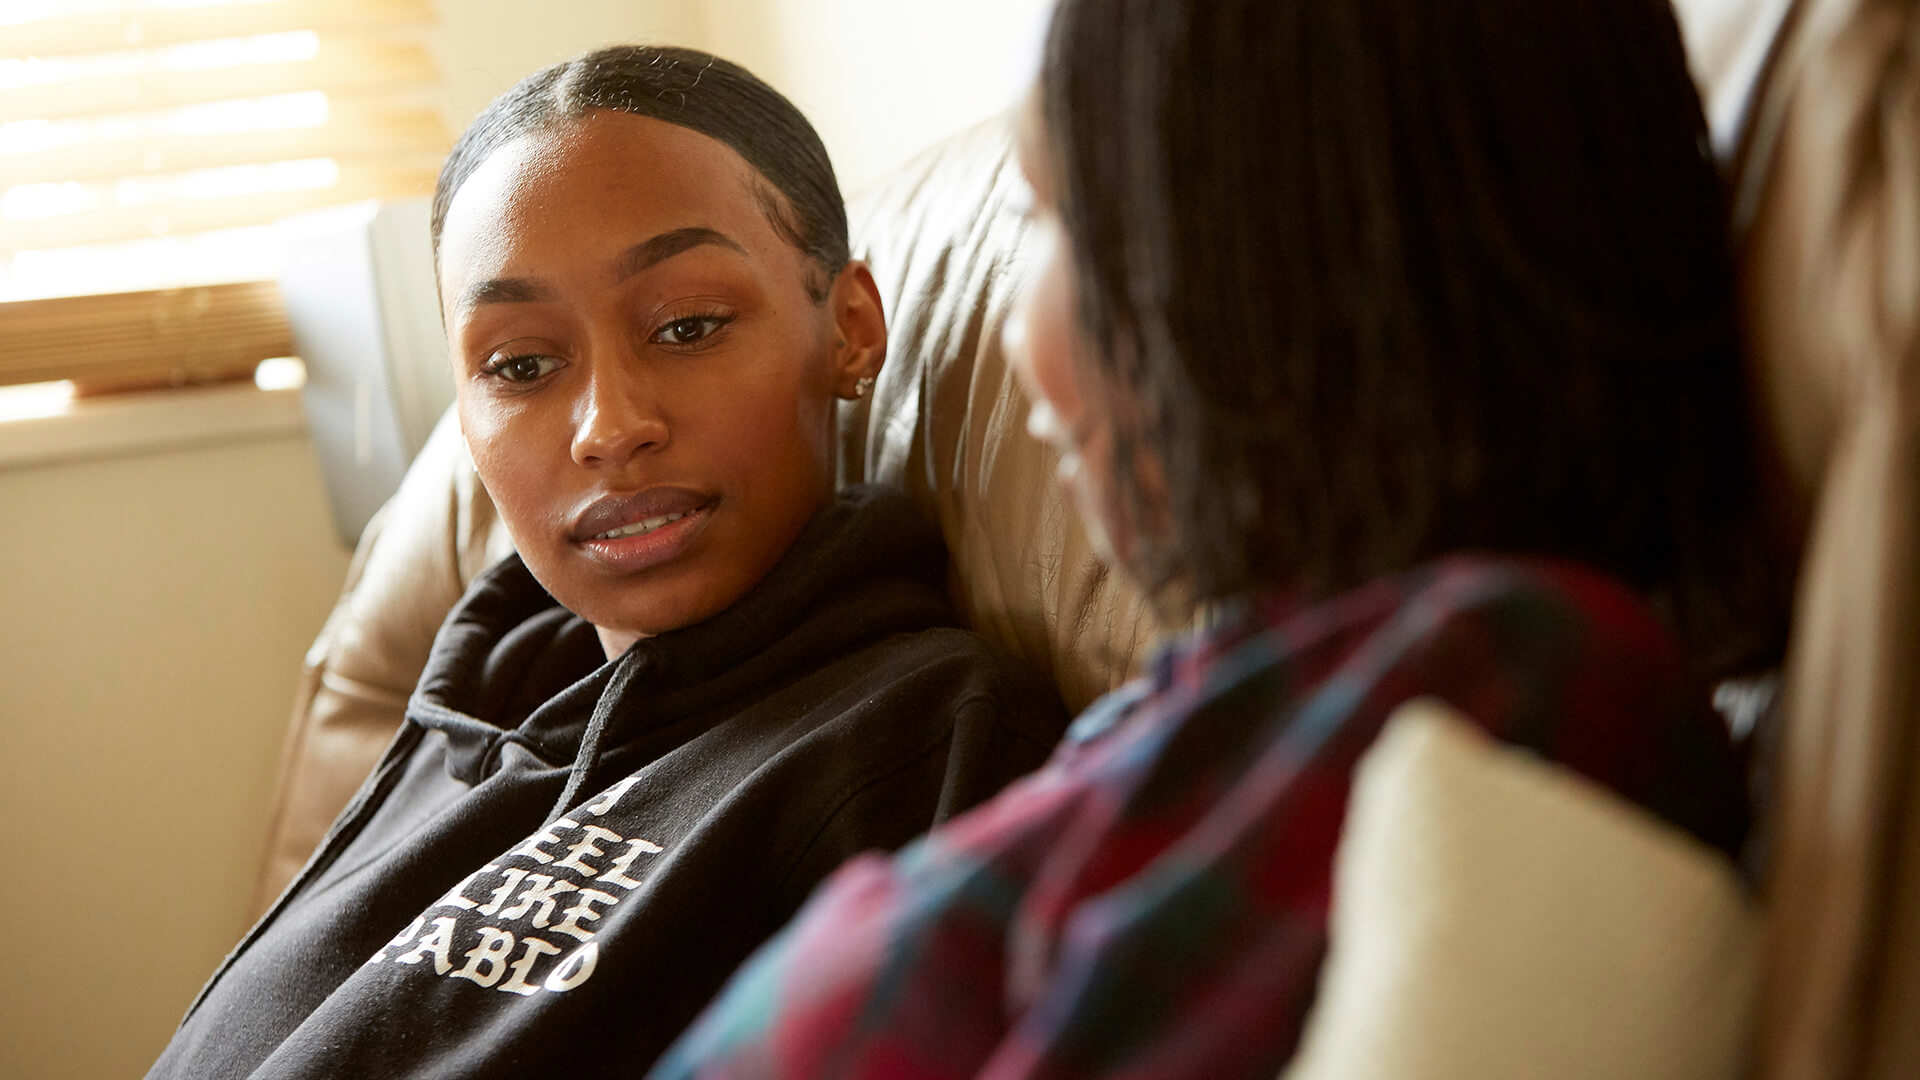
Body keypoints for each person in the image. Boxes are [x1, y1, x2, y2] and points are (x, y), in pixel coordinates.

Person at [651, 0, 1784, 1076]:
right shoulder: (1252, 691)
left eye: (1049, 218)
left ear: (1262, 267)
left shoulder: (1500, 678)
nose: (1008, 327)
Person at [147, 45, 1065, 1079]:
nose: (609, 428)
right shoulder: (469, 708)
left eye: (687, 326)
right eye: (523, 365)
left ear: (850, 329)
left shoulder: (927, 742)